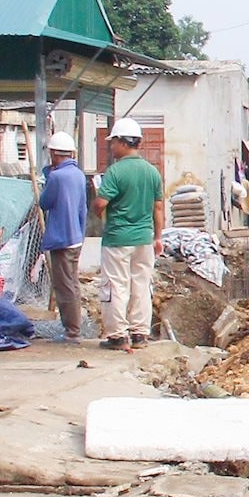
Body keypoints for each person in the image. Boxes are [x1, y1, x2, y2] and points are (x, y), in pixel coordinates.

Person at [92, 121, 163, 350]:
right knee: (141, 286)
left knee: (116, 286)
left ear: (123, 142)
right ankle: (140, 334)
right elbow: (158, 208)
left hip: (118, 239)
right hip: (144, 238)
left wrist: (98, 203)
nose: (112, 147)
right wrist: (158, 237)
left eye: (113, 142)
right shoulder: (152, 172)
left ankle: (118, 336)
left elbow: (100, 204)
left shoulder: (115, 172)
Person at [37, 132, 90, 341]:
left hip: (62, 238)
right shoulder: (78, 175)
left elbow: (44, 202)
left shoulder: (57, 177)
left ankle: (72, 331)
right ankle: (73, 329)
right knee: (72, 283)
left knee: (64, 286)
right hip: (76, 236)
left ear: (54, 154)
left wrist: (48, 176)